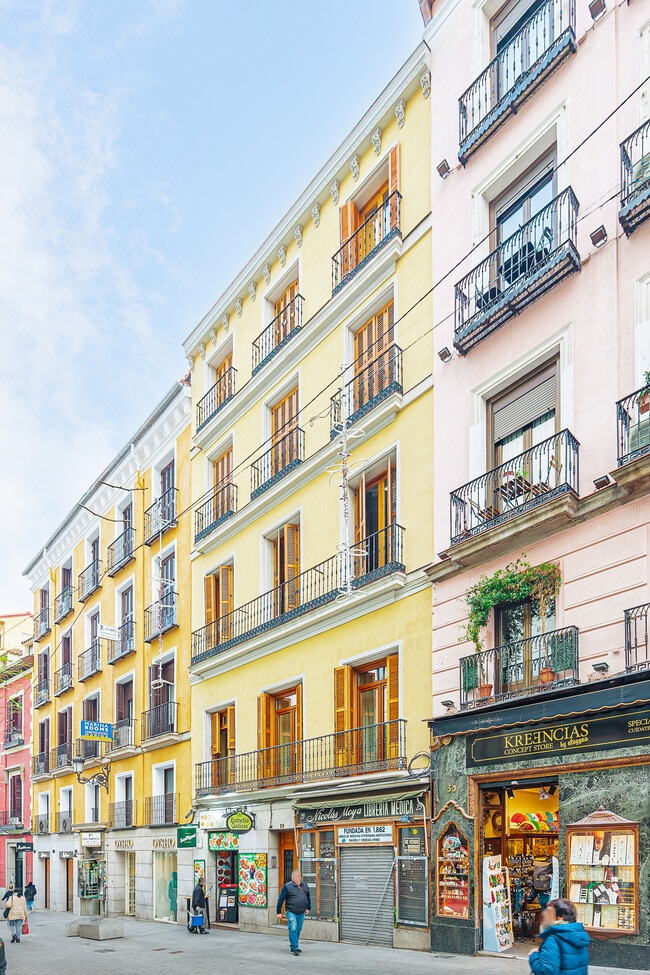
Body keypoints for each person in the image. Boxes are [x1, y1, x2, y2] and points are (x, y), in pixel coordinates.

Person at [529, 898, 590, 975]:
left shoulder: (553, 939)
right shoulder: (578, 935)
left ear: (561, 916)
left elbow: (546, 972)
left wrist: (534, 956)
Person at [276, 869, 310, 956]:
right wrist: (278, 912)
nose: (299, 878)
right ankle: (295, 947)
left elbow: (308, 897)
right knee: (293, 928)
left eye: (299, 876)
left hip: (301, 912)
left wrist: (308, 907)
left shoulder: (304, 885)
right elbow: (281, 899)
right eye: (297, 876)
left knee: (298, 929)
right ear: (293, 878)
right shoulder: (287, 886)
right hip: (291, 911)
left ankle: (295, 944)